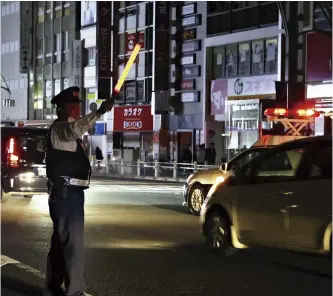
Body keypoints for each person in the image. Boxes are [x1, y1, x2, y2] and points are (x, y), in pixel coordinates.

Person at [44, 86, 113, 296]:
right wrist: (99, 112)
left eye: (77, 105)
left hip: (70, 194)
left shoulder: (67, 132)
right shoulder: (61, 130)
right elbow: (75, 128)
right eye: (73, 105)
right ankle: (74, 292)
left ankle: (53, 287)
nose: (77, 108)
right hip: (66, 196)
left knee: (60, 244)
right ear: (62, 108)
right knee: (72, 243)